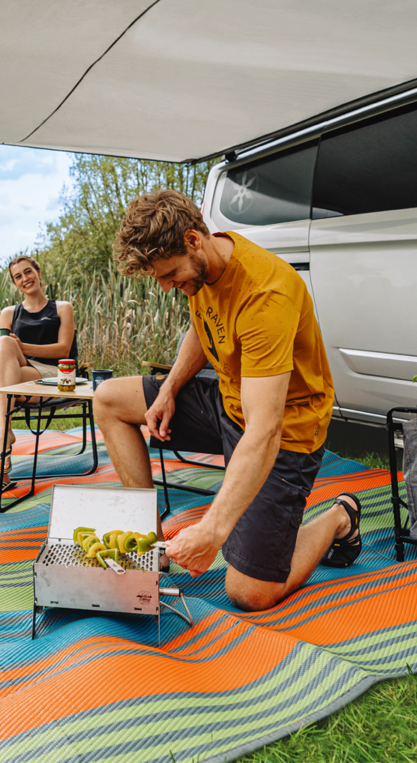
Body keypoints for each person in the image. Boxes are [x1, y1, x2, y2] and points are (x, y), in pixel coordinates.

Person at [92, 190, 362, 611]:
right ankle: (148, 548)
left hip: (285, 430)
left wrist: (212, 531)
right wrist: (169, 389)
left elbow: (265, 430)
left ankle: (338, 516)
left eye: (170, 275)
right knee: (108, 399)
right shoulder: (203, 265)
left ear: (192, 240)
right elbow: (204, 326)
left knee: (249, 592)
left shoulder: (266, 295)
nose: (166, 287)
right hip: (228, 402)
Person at [0, 255, 77, 499]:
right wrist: (5, 347)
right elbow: (4, 357)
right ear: (15, 283)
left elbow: (63, 349)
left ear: (38, 273)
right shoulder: (9, 313)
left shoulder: (62, 308)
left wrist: (21, 346)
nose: (25, 278)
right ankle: (3, 444)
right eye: (18, 276)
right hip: (21, 376)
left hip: (55, 374)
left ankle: (0, 449)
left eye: (28, 272)